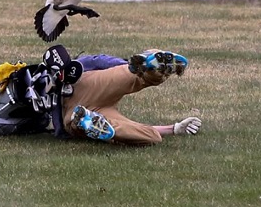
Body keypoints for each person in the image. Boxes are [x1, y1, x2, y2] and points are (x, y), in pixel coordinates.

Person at [46, 45, 202, 146]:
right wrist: (174, 129)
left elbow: (96, 61)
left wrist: (126, 64)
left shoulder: (71, 70)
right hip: (78, 112)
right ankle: (92, 123)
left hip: (83, 89)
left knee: (128, 74)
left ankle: (152, 66)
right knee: (152, 136)